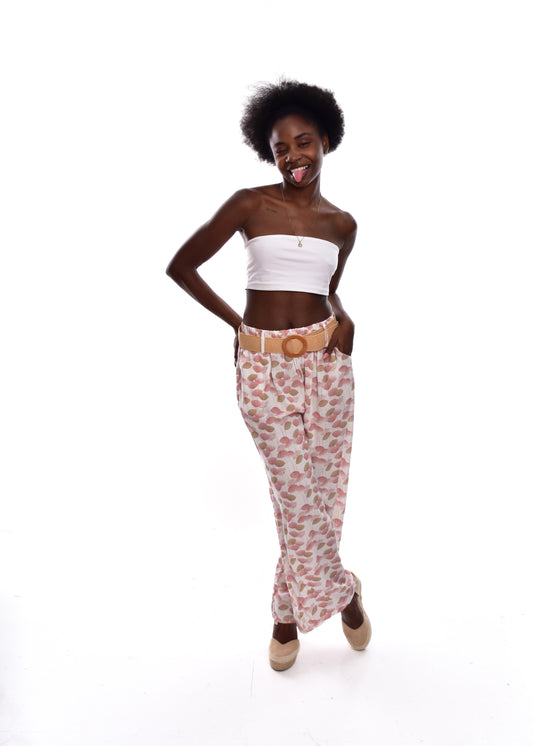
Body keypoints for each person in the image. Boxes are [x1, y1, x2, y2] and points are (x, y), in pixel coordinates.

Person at [166, 79, 371, 671]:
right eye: (281, 149)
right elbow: (182, 265)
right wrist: (238, 325)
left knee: (322, 497)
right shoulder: (249, 204)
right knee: (295, 494)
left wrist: (344, 315)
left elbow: (328, 289)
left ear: (325, 140)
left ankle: (285, 616)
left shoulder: (343, 224)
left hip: (327, 367)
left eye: (303, 143)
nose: (293, 157)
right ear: (269, 153)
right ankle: (344, 591)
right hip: (262, 368)